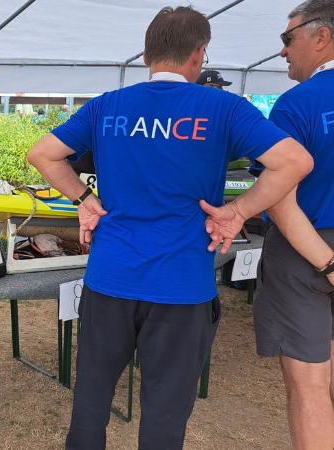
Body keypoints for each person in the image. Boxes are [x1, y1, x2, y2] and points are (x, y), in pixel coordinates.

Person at [26, 6, 312, 449]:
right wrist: (239, 210)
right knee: (164, 415)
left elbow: (43, 153)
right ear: (199, 55)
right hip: (182, 286)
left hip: (110, 280)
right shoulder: (224, 107)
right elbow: (294, 162)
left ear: (146, 56)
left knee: (90, 404)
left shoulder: (108, 106)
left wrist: (85, 199)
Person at [241, 2, 334, 447]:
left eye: (287, 38)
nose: (282, 52)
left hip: (307, 255)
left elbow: (278, 199)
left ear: (322, 37)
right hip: (315, 253)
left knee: (310, 385)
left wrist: (327, 263)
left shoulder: (297, 104)